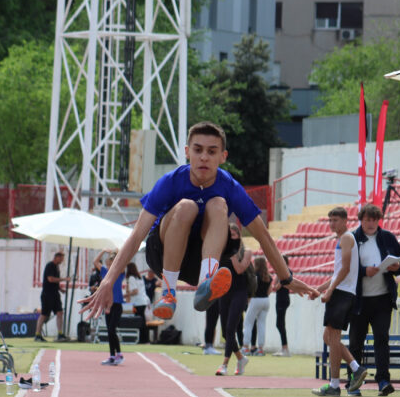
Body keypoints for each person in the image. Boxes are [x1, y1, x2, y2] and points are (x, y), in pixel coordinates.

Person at [80, 121, 316, 322]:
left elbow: (263, 236)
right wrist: (108, 280)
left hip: (199, 260)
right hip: (163, 255)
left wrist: (286, 278)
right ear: (187, 152)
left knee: (218, 204)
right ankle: (168, 293)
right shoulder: (170, 182)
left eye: (212, 152)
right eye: (198, 150)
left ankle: (207, 282)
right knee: (187, 206)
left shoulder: (229, 187)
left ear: (223, 157)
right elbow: (136, 236)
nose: (204, 157)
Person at [312, 207, 369, 397]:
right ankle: (356, 368)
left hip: (342, 294)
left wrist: (329, 291)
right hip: (343, 292)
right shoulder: (344, 238)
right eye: (330, 220)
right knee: (328, 338)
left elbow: (344, 270)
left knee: (333, 339)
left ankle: (335, 384)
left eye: (335, 220)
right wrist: (319, 289)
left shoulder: (346, 238)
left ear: (345, 221)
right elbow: (339, 272)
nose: (331, 224)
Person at [349, 203, 400, 396]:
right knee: (356, 342)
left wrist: (396, 267)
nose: (371, 223)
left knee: (382, 339)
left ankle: (383, 380)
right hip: (359, 300)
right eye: (367, 220)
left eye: (374, 220)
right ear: (361, 220)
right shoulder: (353, 238)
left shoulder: (388, 237)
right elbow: (345, 267)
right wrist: (364, 271)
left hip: (382, 299)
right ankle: (353, 382)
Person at [217, 223, 250, 375]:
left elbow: (239, 269)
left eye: (233, 235)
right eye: (228, 235)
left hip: (240, 293)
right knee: (226, 332)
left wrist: (233, 253)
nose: (231, 238)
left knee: (231, 328)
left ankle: (224, 365)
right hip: (224, 293)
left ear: (239, 236)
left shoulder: (246, 252)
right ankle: (241, 358)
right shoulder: (221, 252)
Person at [35, 250, 68, 342]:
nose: (62, 261)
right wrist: (64, 279)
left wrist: (60, 289)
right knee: (44, 314)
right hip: (47, 294)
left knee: (60, 312)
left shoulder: (57, 267)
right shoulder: (50, 266)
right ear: (56, 257)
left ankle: (60, 333)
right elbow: (50, 279)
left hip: (55, 294)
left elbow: (54, 282)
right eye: (61, 259)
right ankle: (37, 334)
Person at [98, 252, 125, 365]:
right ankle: (113, 356)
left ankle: (118, 354)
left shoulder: (119, 273)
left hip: (117, 305)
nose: (109, 266)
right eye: (108, 264)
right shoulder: (105, 272)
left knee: (111, 330)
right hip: (108, 305)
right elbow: (95, 262)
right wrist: (103, 251)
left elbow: (123, 263)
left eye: (111, 264)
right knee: (110, 331)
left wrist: (118, 254)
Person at [242, 256, 271, 356]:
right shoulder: (268, 277)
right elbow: (269, 291)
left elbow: (251, 289)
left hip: (255, 300)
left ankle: (245, 347)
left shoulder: (254, 276)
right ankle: (260, 349)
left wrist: (249, 299)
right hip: (266, 300)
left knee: (248, 323)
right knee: (261, 324)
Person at [272, 255, 292, 357]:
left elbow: (276, 286)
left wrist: (276, 282)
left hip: (282, 299)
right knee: (280, 324)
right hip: (281, 299)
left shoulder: (285, 272)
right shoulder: (283, 272)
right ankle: (284, 347)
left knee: (280, 324)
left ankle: (285, 348)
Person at [125, 262, 150, 343]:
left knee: (138, 321)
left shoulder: (131, 278)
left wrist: (125, 295)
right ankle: (145, 339)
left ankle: (142, 339)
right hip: (143, 300)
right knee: (143, 320)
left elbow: (135, 291)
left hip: (137, 302)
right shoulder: (139, 277)